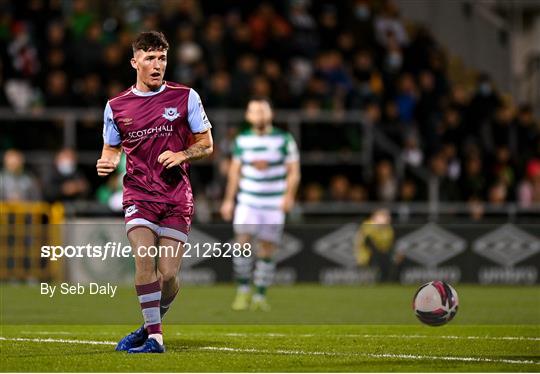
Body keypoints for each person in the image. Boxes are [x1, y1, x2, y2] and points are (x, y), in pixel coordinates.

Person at [96, 31, 213, 353]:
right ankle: (156, 339)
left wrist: (182, 155)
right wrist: (107, 162)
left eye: (162, 58)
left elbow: (206, 144)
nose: (157, 64)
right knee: (145, 262)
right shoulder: (116, 106)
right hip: (139, 196)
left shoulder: (185, 97)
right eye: (150, 58)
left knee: (169, 275)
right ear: (135, 62)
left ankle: (149, 325)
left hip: (177, 197)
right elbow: (111, 148)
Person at [220, 97, 300, 311]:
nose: (260, 115)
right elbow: (234, 173)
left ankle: (260, 296)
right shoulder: (243, 139)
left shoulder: (284, 139)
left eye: (263, 111)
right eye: (255, 112)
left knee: (267, 249)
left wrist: (289, 196)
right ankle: (243, 291)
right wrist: (229, 200)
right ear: (248, 116)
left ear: (270, 114)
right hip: (248, 201)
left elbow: (294, 171)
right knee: (242, 245)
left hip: (273, 203)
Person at [354, 209, 395, 282]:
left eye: (387, 216)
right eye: (384, 216)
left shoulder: (389, 229)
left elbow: (389, 244)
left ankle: (385, 281)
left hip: (382, 254)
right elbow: (367, 241)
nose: (388, 218)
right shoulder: (368, 225)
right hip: (367, 254)